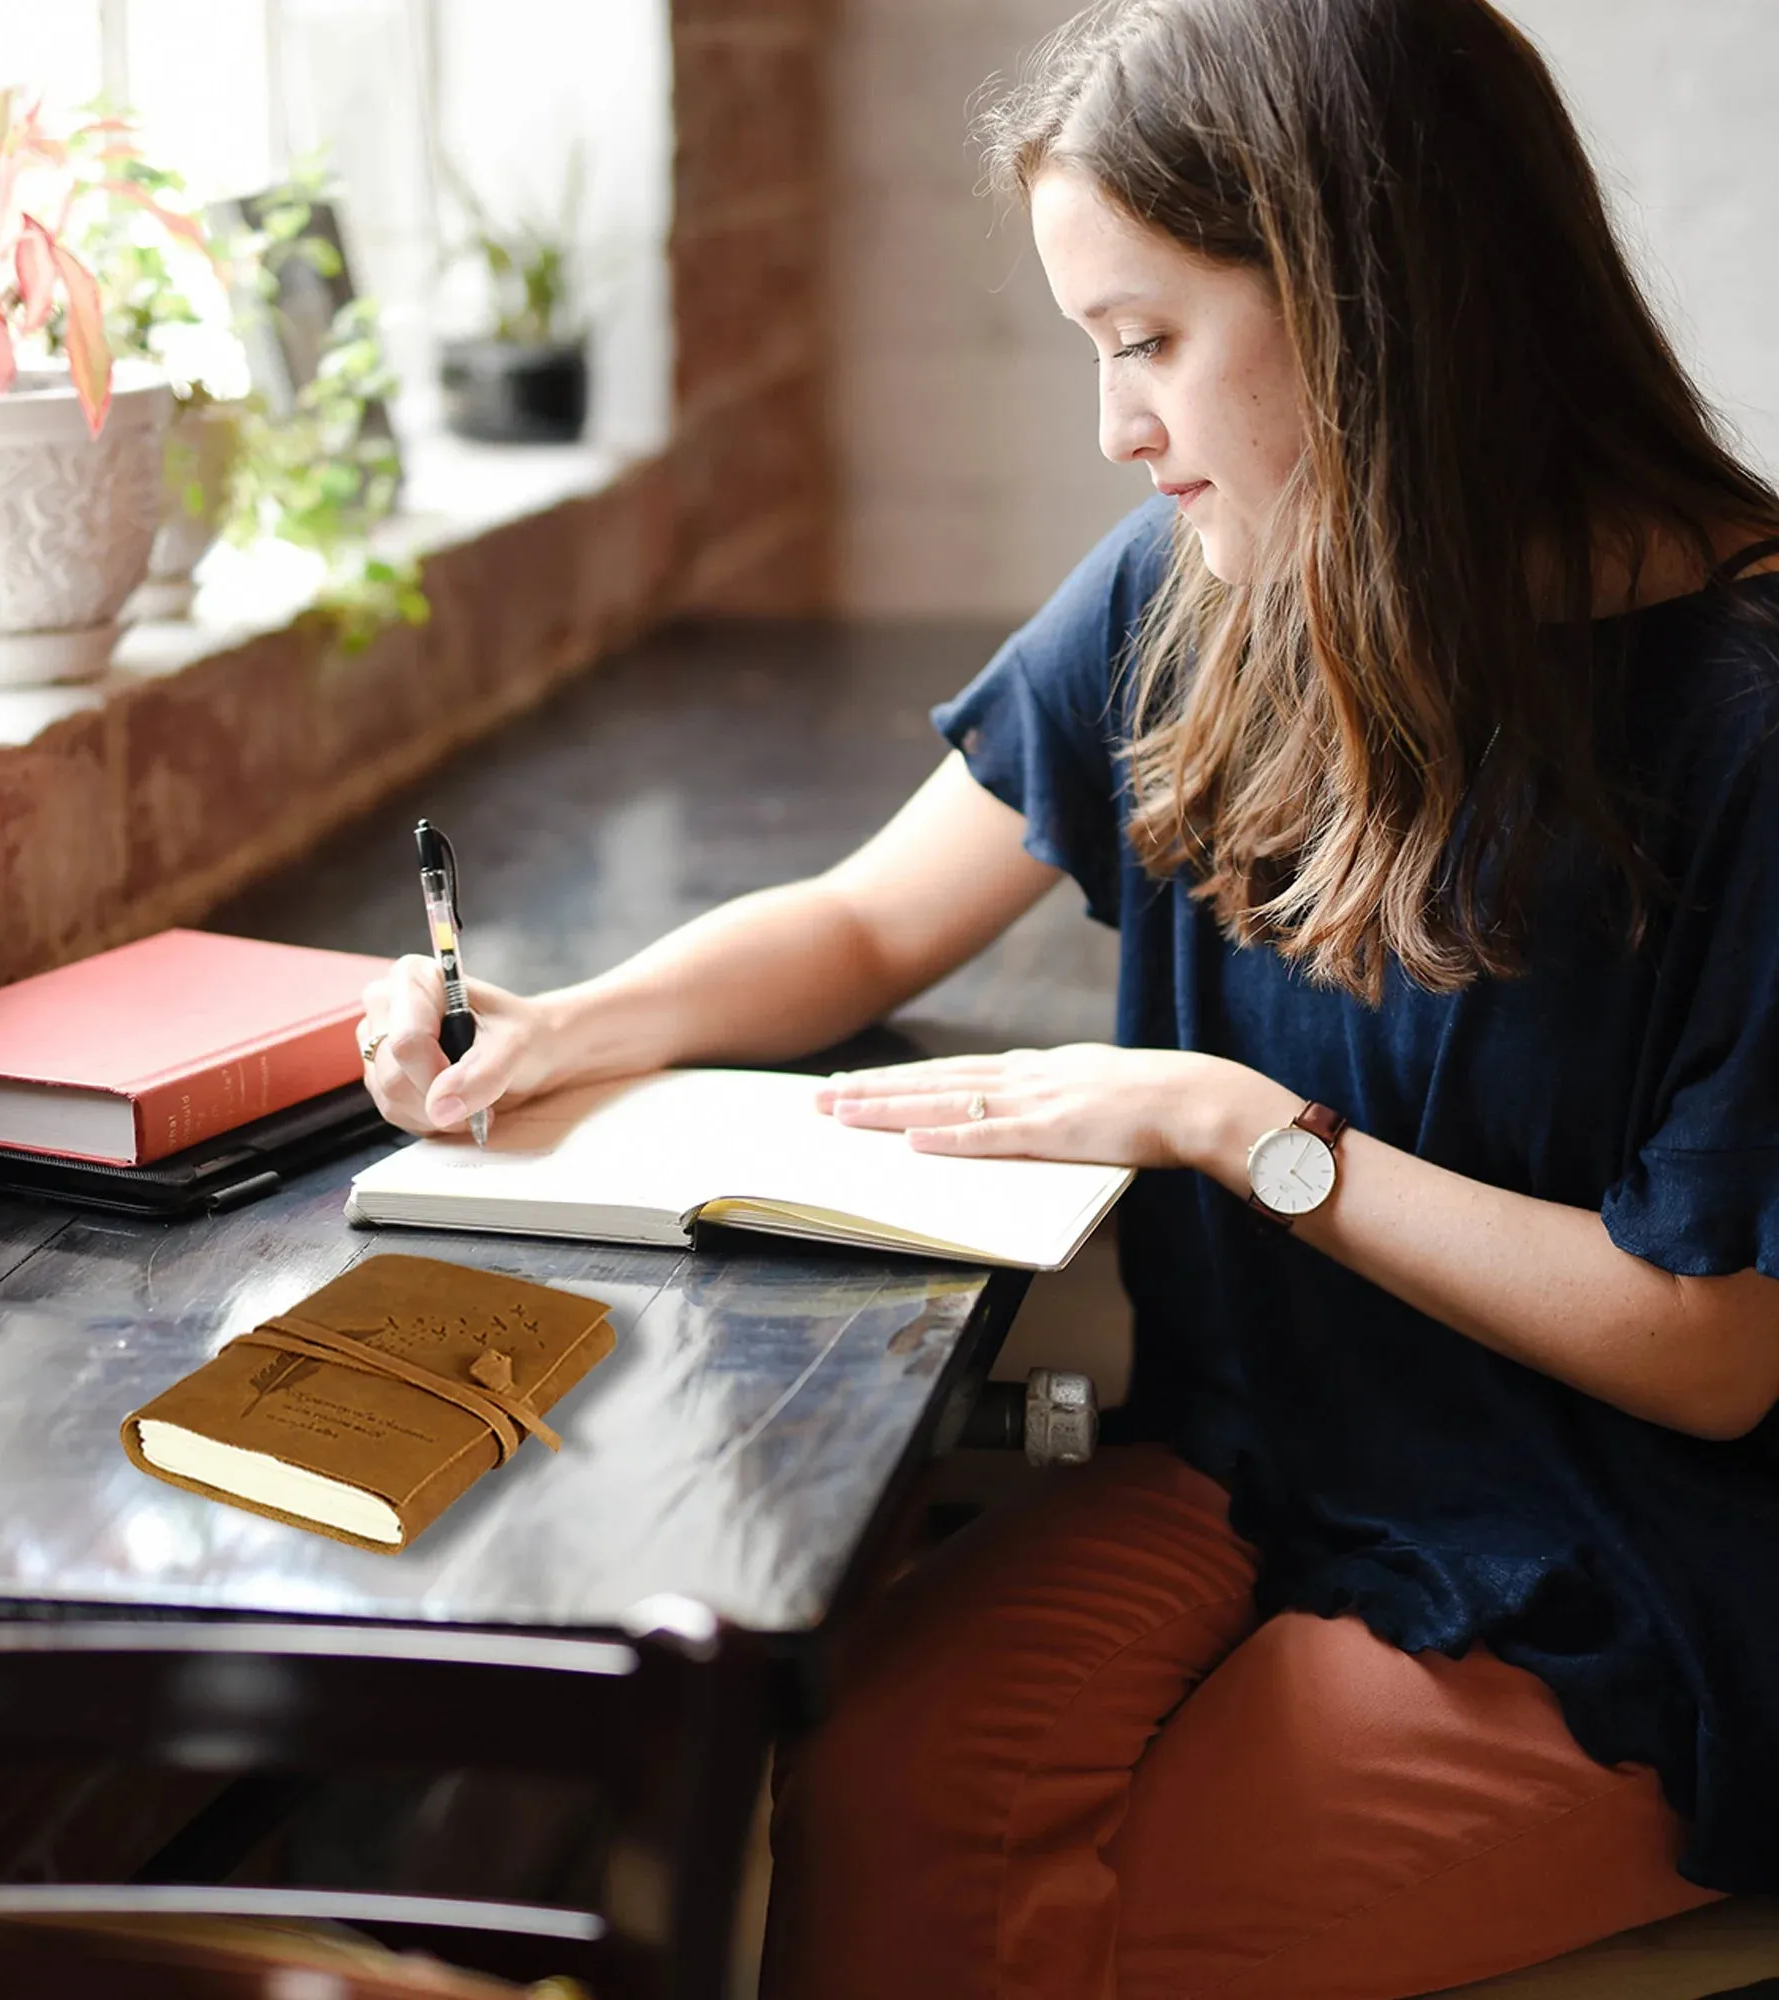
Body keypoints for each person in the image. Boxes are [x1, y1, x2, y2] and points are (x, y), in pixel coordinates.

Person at [357, 0, 1779, 1991]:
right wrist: (574, 1021)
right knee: (866, 1805)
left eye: (1146, 342)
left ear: (1370, 297)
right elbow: (866, 920)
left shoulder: (1743, 719)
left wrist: (1234, 1123)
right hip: (1250, 1457)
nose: (1115, 428)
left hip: (1641, 1560)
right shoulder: (1194, 591)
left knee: (1098, 1935)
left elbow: (1712, 1349)